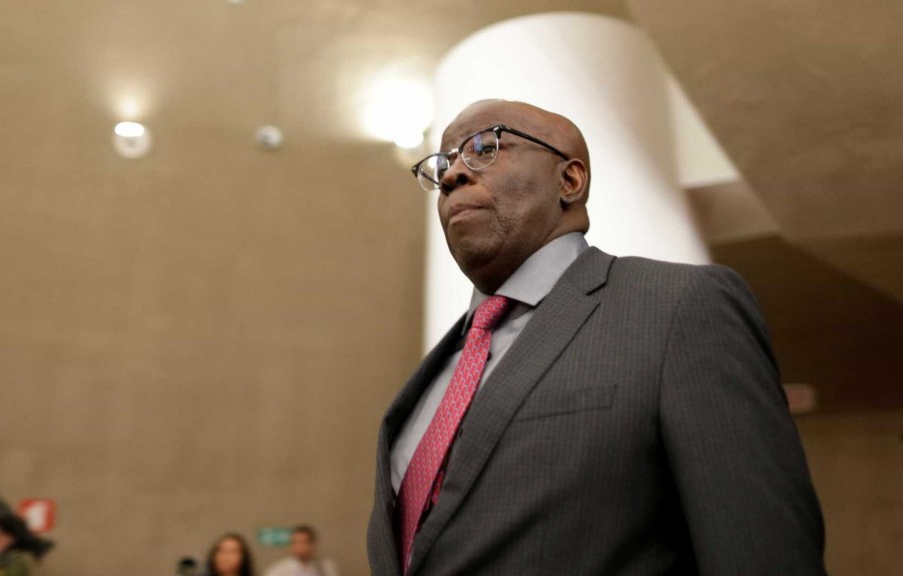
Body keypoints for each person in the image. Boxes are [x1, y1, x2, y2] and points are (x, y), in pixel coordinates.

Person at [366, 99, 826, 575]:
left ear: (570, 180)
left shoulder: (679, 307)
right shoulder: (433, 378)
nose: (452, 175)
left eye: (484, 147)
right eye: (443, 164)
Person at [264, 525, 340, 576]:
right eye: (295, 542)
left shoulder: (327, 568)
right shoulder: (278, 570)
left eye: (303, 542)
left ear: (312, 545)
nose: (299, 547)